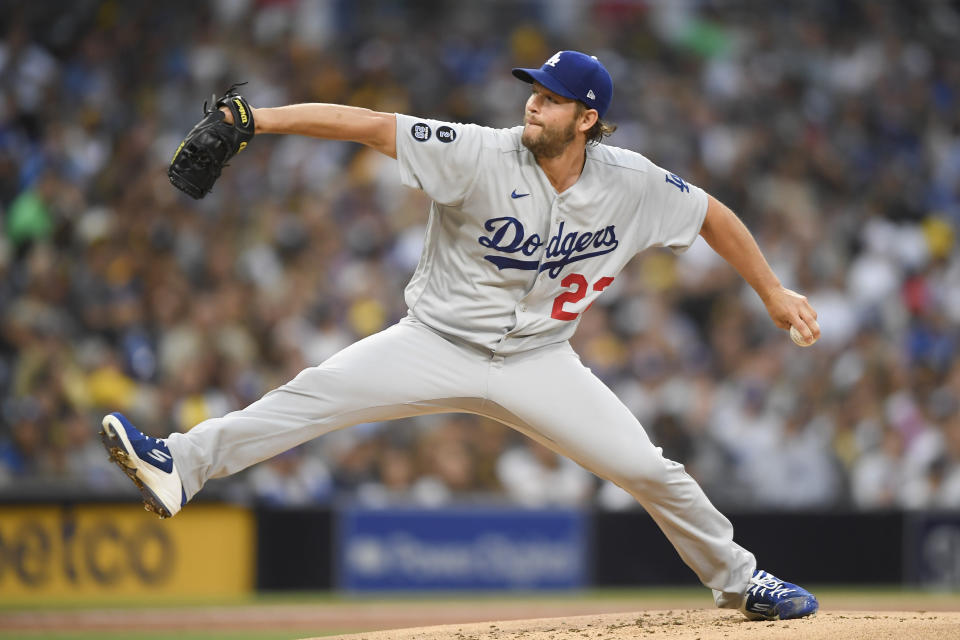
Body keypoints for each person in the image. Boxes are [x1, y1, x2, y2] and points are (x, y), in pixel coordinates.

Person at [100, 51, 820, 621]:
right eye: (533, 92)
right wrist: (254, 119)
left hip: (540, 361)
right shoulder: (478, 151)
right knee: (308, 397)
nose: (533, 103)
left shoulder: (631, 182)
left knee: (648, 469)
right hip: (434, 343)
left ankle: (739, 580)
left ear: (588, 119)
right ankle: (180, 466)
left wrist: (772, 291)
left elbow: (713, 215)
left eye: (552, 97)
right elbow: (367, 125)